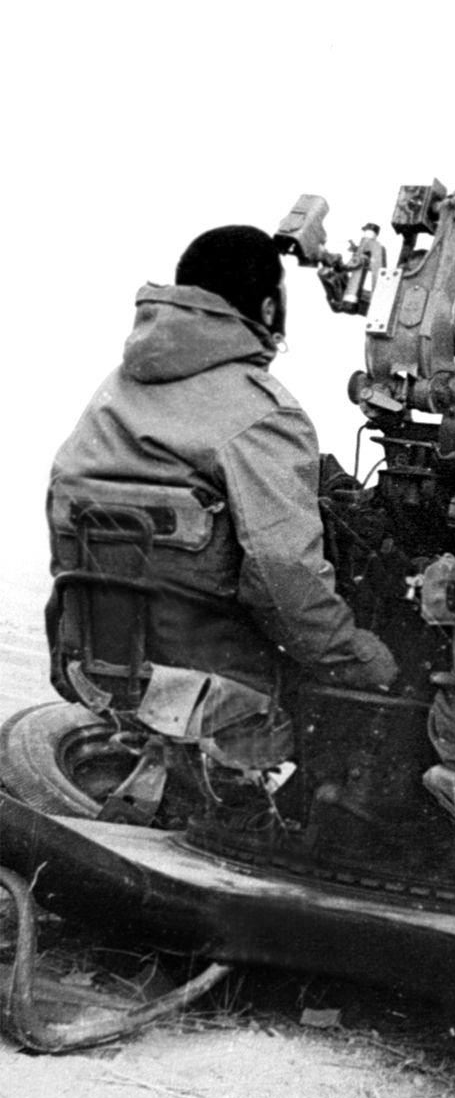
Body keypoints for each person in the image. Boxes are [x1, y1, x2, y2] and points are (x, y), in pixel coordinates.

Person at [46, 225, 398, 750]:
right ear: (269, 308)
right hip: (208, 684)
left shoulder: (112, 392)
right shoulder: (264, 413)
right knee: (369, 702)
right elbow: (283, 577)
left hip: (87, 665)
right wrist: (360, 658)